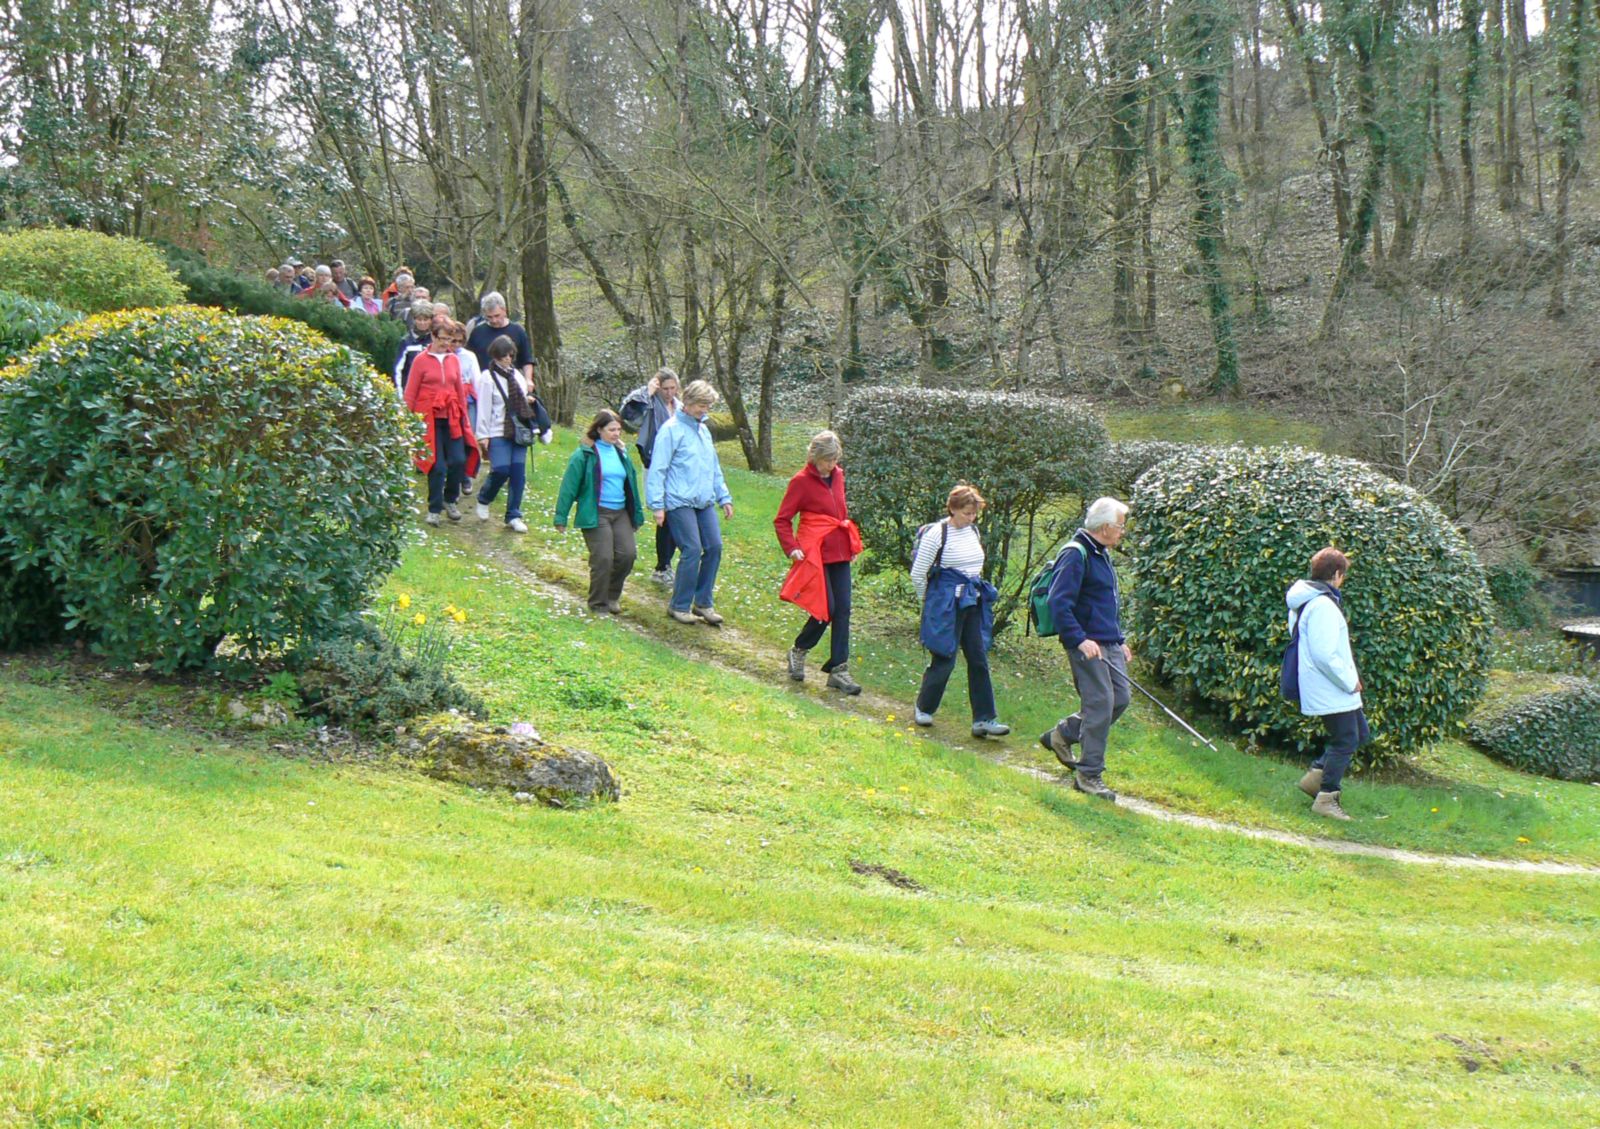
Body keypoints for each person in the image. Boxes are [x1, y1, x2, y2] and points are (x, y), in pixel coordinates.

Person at [1039, 497, 1132, 801]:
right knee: (1101, 703)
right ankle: (1089, 775)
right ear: (1105, 527)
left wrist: (1119, 640)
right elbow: (1058, 603)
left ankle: (1063, 734)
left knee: (1120, 699)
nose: (1122, 532)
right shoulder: (1075, 554)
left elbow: (1104, 603)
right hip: (1086, 645)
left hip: (1108, 642)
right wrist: (1079, 639)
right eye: (1120, 526)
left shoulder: (1101, 553)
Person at [910, 485, 1008, 738]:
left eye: (974, 513)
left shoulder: (973, 531)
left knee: (978, 658)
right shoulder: (937, 534)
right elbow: (919, 573)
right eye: (966, 513)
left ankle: (984, 719)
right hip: (946, 605)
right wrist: (929, 602)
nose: (971, 518)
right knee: (945, 657)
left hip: (972, 602)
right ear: (952, 509)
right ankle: (924, 707)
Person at [775, 430, 863, 694]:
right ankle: (799, 650)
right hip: (815, 553)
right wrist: (792, 548)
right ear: (814, 456)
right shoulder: (800, 482)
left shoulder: (838, 476)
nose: (831, 466)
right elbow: (782, 520)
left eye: (835, 460)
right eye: (827, 460)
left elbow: (842, 512)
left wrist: (851, 542)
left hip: (839, 550)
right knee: (825, 609)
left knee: (844, 609)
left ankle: (839, 669)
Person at [1287, 547, 1368, 821]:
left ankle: (1315, 780)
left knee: (1359, 732)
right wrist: (1349, 680)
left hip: (1330, 685)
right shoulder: (1322, 605)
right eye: (1343, 575)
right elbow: (1324, 654)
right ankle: (1326, 798)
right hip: (1331, 686)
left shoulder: (1310, 601)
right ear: (1336, 574)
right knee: (1345, 739)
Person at [646, 380, 733, 626]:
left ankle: (703, 602)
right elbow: (658, 469)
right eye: (701, 405)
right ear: (689, 402)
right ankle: (679, 605)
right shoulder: (671, 430)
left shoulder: (704, 431)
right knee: (692, 549)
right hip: (679, 500)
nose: (704, 410)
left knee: (714, 547)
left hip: (703, 501)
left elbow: (713, 468)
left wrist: (724, 497)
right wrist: (657, 505)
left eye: (708, 405)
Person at [555, 409, 644, 614]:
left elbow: (631, 487)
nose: (616, 434)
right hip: (597, 513)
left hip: (620, 512)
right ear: (599, 430)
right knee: (603, 558)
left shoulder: (621, 454)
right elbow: (569, 487)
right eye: (611, 430)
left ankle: (612, 596)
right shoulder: (584, 455)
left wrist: (636, 515)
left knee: (628, 555)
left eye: (619, 430)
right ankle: (598, 604)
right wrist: (561, 516)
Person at [403, 318, 478, 526]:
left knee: (458, 460)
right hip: (429, 418)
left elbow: (459, 391)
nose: (447, 343)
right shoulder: (420, 360)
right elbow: (410, 393)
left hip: (452, 415)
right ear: (433, 336)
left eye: (450, 339)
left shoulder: (453, 360)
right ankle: (434, 509)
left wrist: (465, 420)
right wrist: (407, 422)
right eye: (443, 339)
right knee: (436, 465)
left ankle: (450, 499)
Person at [619, 368, 684, 584]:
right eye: (665, 388)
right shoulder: (648, 404)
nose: (669, 393)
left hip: (678, 468)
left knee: (675, 515)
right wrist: (647, 392)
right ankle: (662, 567)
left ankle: (666, 565)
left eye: (673, 388)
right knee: (664, 517)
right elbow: (628, 416)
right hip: (656, 464)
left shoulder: (680, 407)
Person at [473, 334, 543, 533]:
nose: (507, 359)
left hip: (518, 430)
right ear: (495, 355)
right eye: (503, 355)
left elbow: (522, 399)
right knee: (501, 470)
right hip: (497, 430)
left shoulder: (517, 375)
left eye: (510, 355)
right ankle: (485, 497)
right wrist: (483, 435)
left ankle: (514, 514)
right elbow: (484, 407)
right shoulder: (488, 378)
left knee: (518, 473)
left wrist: (528, 401)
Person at [466, 292, 535, 388]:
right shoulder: (478, 332)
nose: (494, 320)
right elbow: (469, 359)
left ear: (505, 311)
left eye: (497, 316)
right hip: (485, 384)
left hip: (511, 383)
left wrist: (528, 379)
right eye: (489, 317)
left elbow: (526, 360)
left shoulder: (517, 331)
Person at [392, 300, 435, 393]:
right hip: (411, 391)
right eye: (419, 320)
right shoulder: (406, 342)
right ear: (414, 319)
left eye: (426, 319)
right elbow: (398, 370)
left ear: (431, 320)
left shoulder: (436, 340)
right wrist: (399, 394)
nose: (422, 323)